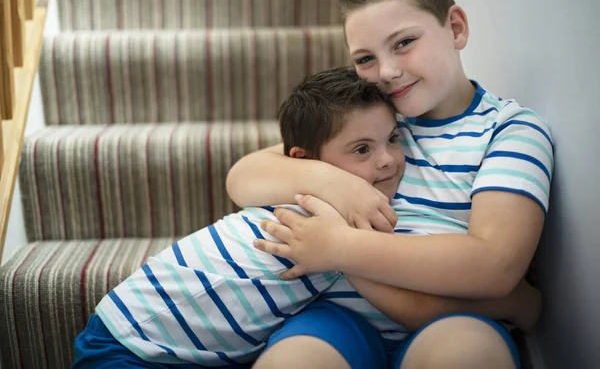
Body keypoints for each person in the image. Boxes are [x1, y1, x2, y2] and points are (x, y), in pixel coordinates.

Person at [72, 68, 538, 369]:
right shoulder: (328, 221)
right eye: (362, 149)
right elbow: (410, 301)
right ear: (307, 160)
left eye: (392, 139)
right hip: (131, 345)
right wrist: (516, 306)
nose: (388, 161)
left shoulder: (320, 201)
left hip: (160, 336)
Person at [227, 0, 554, 369]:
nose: (387, 72)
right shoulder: (373, 119)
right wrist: (333, 182)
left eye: (403, 43)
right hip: (336, 318)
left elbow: (495, 265)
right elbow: (244, 176)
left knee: (468, 355)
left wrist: (342, 248)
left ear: (455, 28)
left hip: (453, 318)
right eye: (365, 59)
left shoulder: (509, 130)